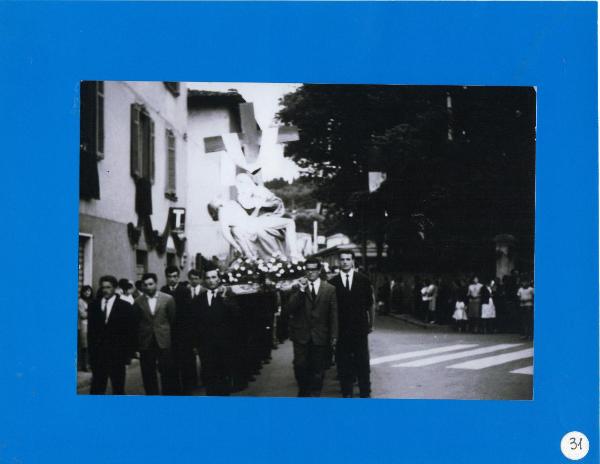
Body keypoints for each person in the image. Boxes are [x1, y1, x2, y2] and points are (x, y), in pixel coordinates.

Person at [285, 257, 338, 397]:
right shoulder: (298, 287)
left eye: (313, 270)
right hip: (301, 335)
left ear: (319, 271)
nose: (310, 273)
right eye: (308, 269)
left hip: (320, 335)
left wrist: (334, 335)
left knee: (318, 369)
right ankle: (303, 392)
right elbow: (290, 308)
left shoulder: (330, 289)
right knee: (300, 366)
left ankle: (314, 396)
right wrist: (302, 291)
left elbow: (333, 314)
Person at [329, 251, 374, 398]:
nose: (345, 262)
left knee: (362, 362)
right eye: (342, 259)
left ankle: (365, 392)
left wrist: (370, 325)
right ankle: (346, 392)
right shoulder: (332, 283)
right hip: (341, 330)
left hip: (360, 329)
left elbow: (369, 305)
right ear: (338, 261)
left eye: (348, 259)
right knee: (343, 363)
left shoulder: (364, 280)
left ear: (353, 261)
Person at [192, 265, 240, 396]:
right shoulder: (198, 300)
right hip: (206, 346)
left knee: (224, 377)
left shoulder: (228, 296)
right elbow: (195, 323)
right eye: (207, 278)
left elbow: (236, 317)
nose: (211, 280)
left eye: (214, 277)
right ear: (204, 280)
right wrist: (196, 344)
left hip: (224, 345)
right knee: (209, 377)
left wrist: (226, 299)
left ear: (219, 279)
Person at [87, 276, 136, 394]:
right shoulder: (94, 305)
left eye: (108, 287)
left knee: (118, 389)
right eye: (103, 287)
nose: (105, 290)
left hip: (117, 356)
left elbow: (130, 332)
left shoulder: (125, 306)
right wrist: (91, 354)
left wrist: (127, 355)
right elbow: (91, 332)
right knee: (97, 389)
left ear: (115, 288)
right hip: (99, 356)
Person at [133, 273, 176, 395]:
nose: (148, 287)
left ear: (156, 284)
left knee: (167, 372)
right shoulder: (138, 301)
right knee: (148, 373)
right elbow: (136, 322)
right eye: (145, 285)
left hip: (163, 340)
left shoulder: (168, 299)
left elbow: (171, 318)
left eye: (151, 284)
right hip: (146, 342)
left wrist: (164, 332)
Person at [160, 265, 197, 394]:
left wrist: (189, 336)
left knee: (185, 363)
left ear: (178, 277)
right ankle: (173, 390)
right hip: (168, 333)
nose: (172, 279)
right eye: (169, 277)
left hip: (182, 333)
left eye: (175, 276)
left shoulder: (184, 291)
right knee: (171, 364)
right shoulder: (163, 290)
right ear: (166, 277)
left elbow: (189, 314)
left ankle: (187, 390)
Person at [78, 285, 93, 372]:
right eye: (86, 291)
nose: (88, 293)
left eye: (89, 291)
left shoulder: (91, 300)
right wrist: (91, 312)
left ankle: (90, 364)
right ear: (83, 292)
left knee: (91, 345)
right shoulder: (80, 301)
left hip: (91, 325)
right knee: (85, 346)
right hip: (83, 326)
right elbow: (83, 315)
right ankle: (85, 365)